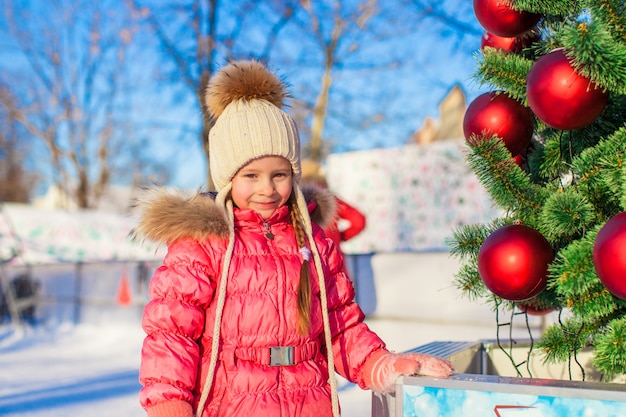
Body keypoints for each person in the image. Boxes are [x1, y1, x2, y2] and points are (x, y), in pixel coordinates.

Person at [133, 59, 453, 417]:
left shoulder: (313, 242)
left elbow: (339, 323)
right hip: (231, 401)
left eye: (280, 174)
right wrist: (169, 401)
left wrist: (377, 363)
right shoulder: (203, 243)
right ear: (227, 177)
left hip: (309, 400)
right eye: (251, 175)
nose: (267, 189)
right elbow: (172, 332)